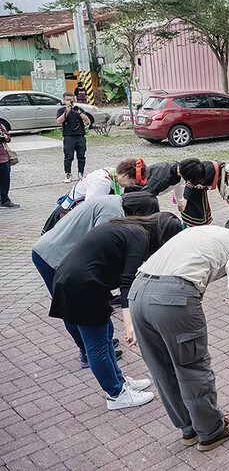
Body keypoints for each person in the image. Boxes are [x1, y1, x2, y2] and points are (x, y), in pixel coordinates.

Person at [129, 216, 229, 452]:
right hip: (172, 299)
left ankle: (188, 428)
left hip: (137, 293)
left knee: (162, 367)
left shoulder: (201, 232)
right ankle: (211, 431)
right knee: (191, 367)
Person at [49, 213, 183, 410]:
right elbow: (127, 282)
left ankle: (118, 381)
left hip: (78, 281)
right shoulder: (139, 237)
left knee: (105, 335)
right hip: (81, 286)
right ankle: (115, 394)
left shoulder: (131, 227)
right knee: (97, 345)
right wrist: (129, 325)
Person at [32, 192, 160, 368]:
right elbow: (104, 250)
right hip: (52, 256)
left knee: (91, 316)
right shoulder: (113, 212)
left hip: (62, 253)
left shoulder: (115, 202)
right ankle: (88, 350)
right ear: (139, 212)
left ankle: (98, 344)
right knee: (71, 309)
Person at [42, 158, 142, 234]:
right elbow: (91, 210)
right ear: (125, 175)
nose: (130, 186)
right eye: (132, 182)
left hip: (76, 215)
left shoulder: (115, 177)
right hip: (68, 216)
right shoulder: (102, 182)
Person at [178, 157, 229, 227]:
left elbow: (221, 184)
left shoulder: (221, 169)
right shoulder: (210, 170)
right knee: (197, 214)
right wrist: (185, 199)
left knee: (203, 213)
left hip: (200, 192)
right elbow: (190, 183)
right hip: (191, 192)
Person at [57, 91, 90, 182]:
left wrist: (79, 113)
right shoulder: (61, 110)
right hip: (68, 136)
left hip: (80, 135)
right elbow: (59, 121)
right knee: (68, 156)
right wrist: (66, 112)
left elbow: (87, 119)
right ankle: (68, 173)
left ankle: (81, 173)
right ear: (64, 100)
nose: (70, 102)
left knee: (81, 156)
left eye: (71, 100)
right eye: (67, 100)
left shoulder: (78, 109)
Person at [0, 122, 18, 208]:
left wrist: (6, 137)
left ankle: (4, 200)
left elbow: (8, 138)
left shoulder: (0, 126)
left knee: (5, 180)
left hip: (3, 157)